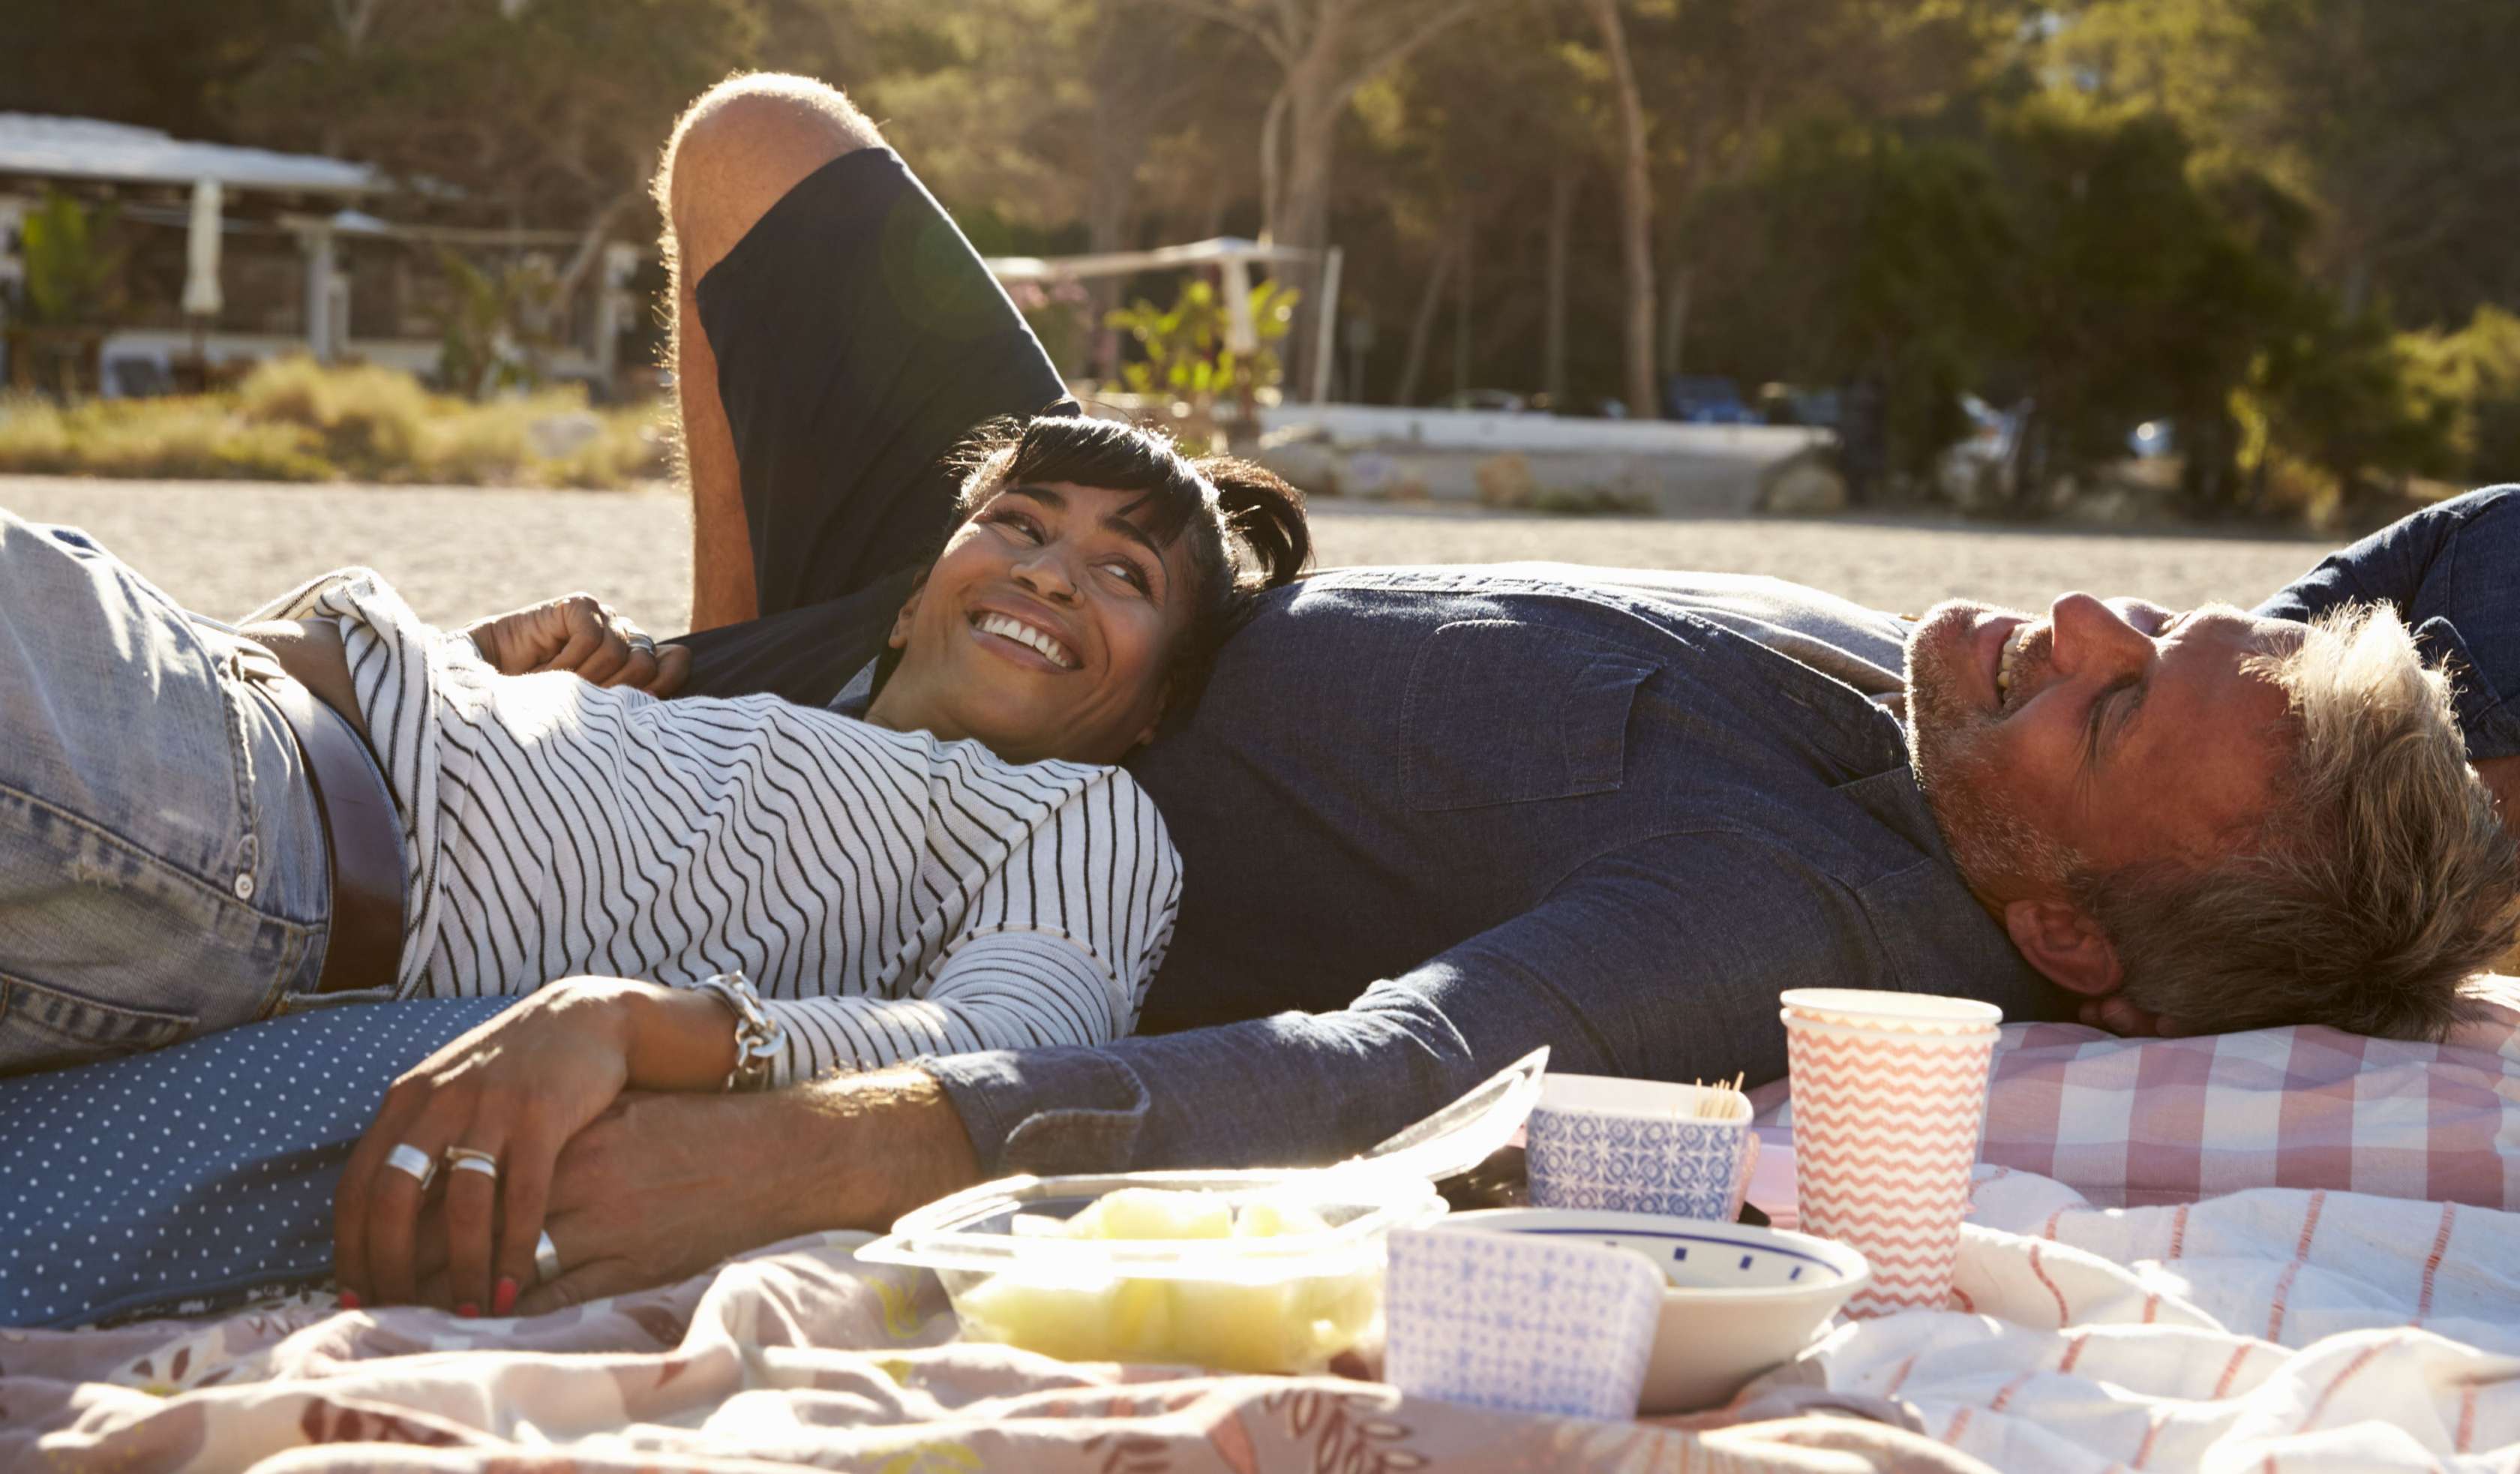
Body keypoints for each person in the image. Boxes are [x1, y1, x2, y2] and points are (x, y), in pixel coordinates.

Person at [415, 73, 2516, 1314]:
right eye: (2144, 632)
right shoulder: (1990, 752)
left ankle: (773, 749)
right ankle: (773, 643)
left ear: (2064, 932)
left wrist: (787, 1158)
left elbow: (1370, 1079)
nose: (2079, 617)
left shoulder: (1783, 918)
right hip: (1105, 554)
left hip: (1057, 694)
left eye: (2116, 709)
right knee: (764, 138)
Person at [0, 409, 1309, 1313]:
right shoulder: (747, 721)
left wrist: (644, 1026)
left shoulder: (1079, 810)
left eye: (1123, 570)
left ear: (1154, 712)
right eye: (1021, 522)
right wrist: (474, 672)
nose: (1053, 573)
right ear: (915, 598)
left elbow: (1008, 1050)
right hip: (189, 711)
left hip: (232, 819)